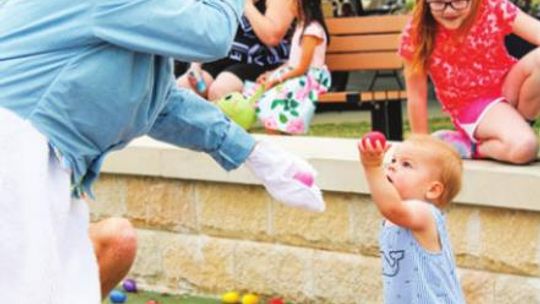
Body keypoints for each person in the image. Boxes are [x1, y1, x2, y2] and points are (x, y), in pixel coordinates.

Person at [0, 0, 326, 302]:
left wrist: (255, 154)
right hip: (17, 156)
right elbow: (211, 34)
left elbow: (157, 101)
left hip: (38, 159)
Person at [400, 0, 540, 164]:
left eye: (457, 2)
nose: (449, 10)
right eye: (439, 3)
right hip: (472, 105)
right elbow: (416, 97)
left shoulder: (492, 6)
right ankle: (469, 146)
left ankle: (518, 125)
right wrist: (422, 148)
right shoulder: (416, 32)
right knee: (524, 148)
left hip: (507, 87)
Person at [358, 134, 465, 303]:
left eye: (406, 164)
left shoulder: (424, 214)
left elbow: (392, 209)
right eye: (393, 160)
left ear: (433, 190)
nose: (392, 166)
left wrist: (372, 167)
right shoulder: (397, 216)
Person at [177, 0, 295, 101]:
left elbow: (272, 37)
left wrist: (245, 4)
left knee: (221, 90)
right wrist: (195, 65)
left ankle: (224, 127)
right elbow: (210, 30)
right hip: (223, 57)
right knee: (182, 88)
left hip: (260, 62)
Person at [255, 0, 332, 135]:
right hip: (298, 75)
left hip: (310, 78)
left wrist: (277, 79)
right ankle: (280, 137)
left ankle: (280, 138)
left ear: (301, 4)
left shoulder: (312, 31)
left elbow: (302, 67)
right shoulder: (301, 27)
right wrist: (272, 74)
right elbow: (292, 63)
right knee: (262, 90)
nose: (289, 6)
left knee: (273, 96)